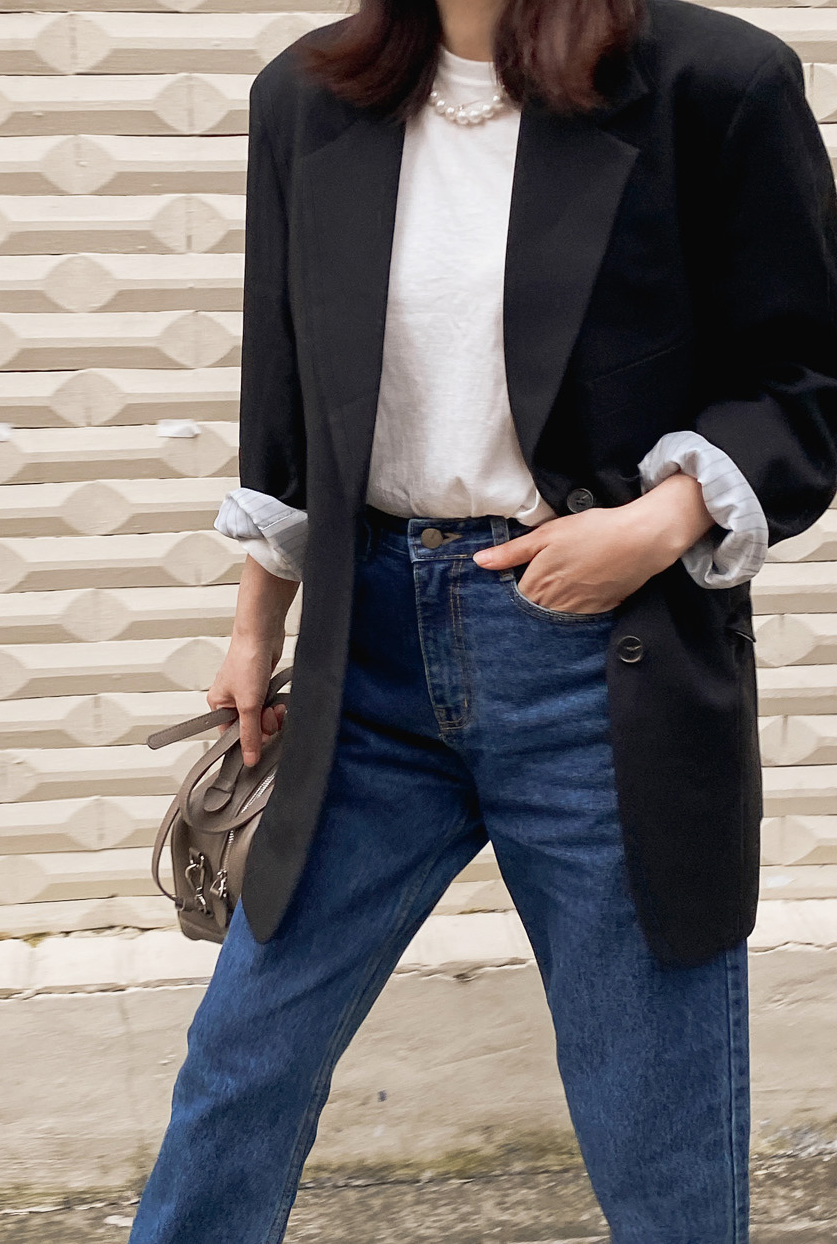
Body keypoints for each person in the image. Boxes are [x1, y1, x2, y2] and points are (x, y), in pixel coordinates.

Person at [129, 0, 837, 1239]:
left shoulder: (711, 82)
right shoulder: (308, 97)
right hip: (367, 664)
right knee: (242, 1061)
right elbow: (286, 395)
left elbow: (806, 376)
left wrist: (656, 522)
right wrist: (255, 627)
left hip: (599, 665)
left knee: (653, 1114)